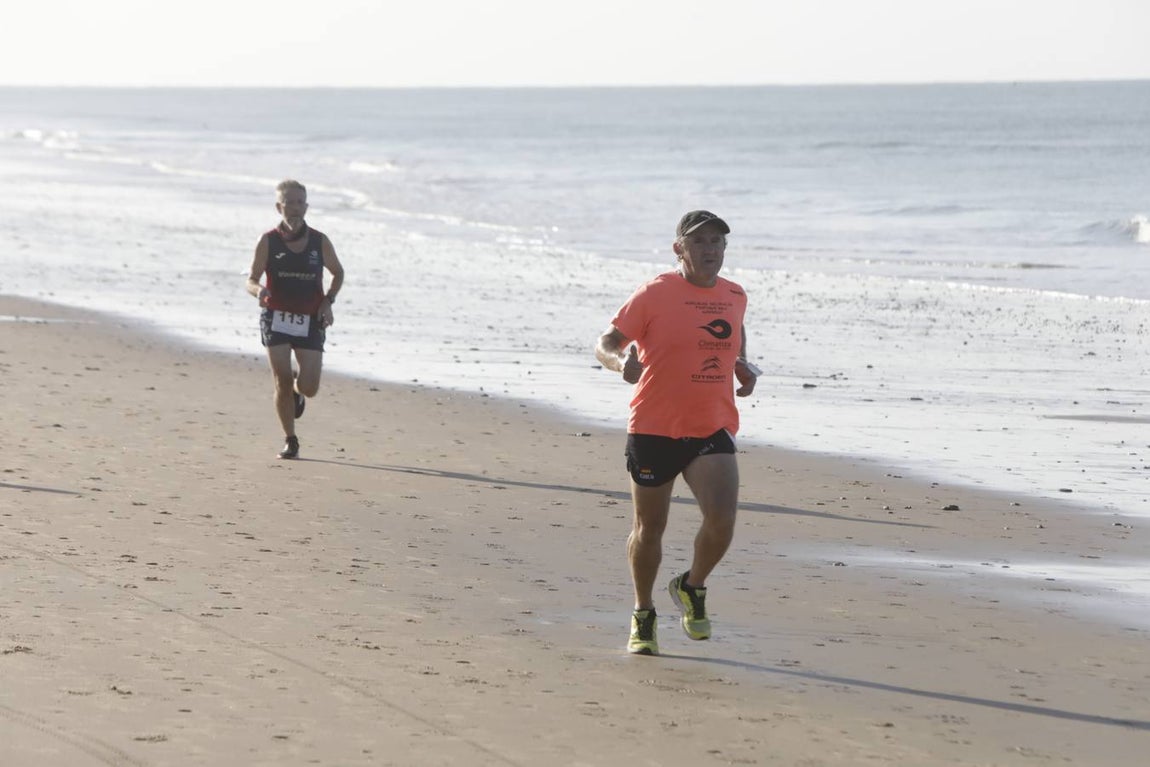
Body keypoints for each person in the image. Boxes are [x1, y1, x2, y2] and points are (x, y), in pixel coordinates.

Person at [595, 210, 759, 655]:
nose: (710, 250)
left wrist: (743, 367)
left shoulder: (734, 295)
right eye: (700, 242)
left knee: (722, 520)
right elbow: (606, 343)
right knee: (650, 529)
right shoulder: (655, 293)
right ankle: (643, 612)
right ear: (679, 249)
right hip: (655, 426)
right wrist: (619, 364)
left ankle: (692, 585)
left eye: (717, 243)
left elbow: (733, 341)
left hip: (712, 423)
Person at [246, 179, 345, 459]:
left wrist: (328, 301)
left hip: (310, 317)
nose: (294, 207)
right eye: (289, 202)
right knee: (281, 380)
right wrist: (259, 291)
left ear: (307, 206)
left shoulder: (319, 241)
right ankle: (290, 439)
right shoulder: (268, 241)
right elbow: (251, 279)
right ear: (279, 207)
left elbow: (338, 273)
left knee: (309, 387)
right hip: (275, 316)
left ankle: (299, 394)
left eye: (300, 202)